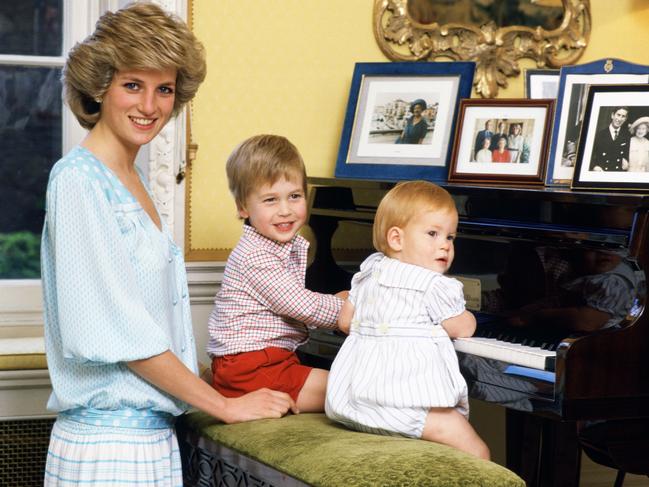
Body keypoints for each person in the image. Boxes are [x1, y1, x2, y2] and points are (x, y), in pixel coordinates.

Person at [41, 4, 296, 485]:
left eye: (164, 89)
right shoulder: (77, 180)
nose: (150, 106)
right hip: (108, 450)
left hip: (151, 440)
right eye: (132, 84)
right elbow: (119, 334)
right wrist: (224, 404)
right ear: (101, 86)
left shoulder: (132, 178)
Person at [325, 181, 490, 460]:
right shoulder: (434, 285)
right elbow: (462, 328)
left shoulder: (369, 272)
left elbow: (344, 322)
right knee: (477, 451)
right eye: (432, 233)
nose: (445, 245)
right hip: (406, 407)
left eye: (450, 237)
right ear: (396, 239)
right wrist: (470, 315)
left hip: (352, 402)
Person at [207, 134, 347, 413]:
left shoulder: (278, 246)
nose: (285, 210)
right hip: (251, 367)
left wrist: (337, 303)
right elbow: (301, 305)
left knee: (351, 385)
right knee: (352, 390)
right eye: (270, 200)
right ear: (243, 207)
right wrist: (345, 308)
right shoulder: (256, 256)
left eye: (294, 196)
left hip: (268, 361)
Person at [590, 106, 630, 172]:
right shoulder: (599, 135)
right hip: (602, 172)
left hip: (618, 173)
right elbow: (589, 154)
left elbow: (628, 154)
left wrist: (626, 161)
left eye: (623, 116)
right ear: (612, 115)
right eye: (618, 115)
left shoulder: (626, 136)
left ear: (625, 119)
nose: (619, 119)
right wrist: (594, 166)